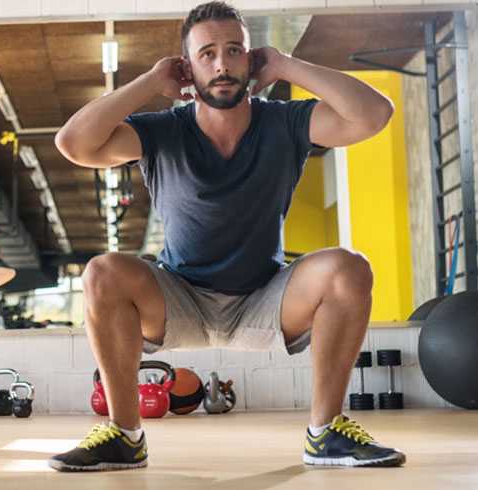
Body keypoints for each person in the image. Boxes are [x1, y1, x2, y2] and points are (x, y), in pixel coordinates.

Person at [50, 1, 405, 472]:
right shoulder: (160, 131)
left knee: (348, 267)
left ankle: (325, 434)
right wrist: (150, 83)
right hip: (179, 299)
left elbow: (374, 114)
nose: (221, 64)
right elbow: (73, 144)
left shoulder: (285, 122)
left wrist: (285, 64)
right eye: (207, 53)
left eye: (234, 50)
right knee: (102, 272)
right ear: (186, 68)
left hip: (264, 298)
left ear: (250, 58)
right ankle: (123, 434)